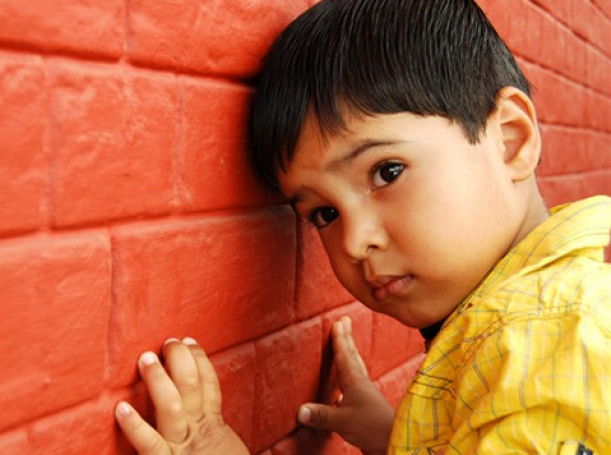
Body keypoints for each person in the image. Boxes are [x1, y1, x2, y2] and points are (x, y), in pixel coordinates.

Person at [113, 0, 611, 453]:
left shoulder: (549, 339)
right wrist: (397, 437)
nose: (353, 243)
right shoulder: (529, 332)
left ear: (509, 140)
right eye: (324, 214)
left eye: (386, 172)